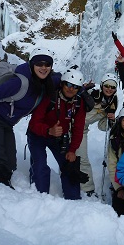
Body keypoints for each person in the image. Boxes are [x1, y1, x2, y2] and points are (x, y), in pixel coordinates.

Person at [0, 47, 59, 188]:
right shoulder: (19, 83)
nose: (43, 68)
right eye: (39, 64)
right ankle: (0, 195)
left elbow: (61, 80)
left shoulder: (46, 83)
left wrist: (82, 88)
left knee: (10, 164)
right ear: (32, 65)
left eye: (47, 64)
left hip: (7, 123)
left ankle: (4, 184)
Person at [27, 67, 87, 200]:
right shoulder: (50, 97)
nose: (71, 89)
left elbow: (78, 128)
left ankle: (74, 201)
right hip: (38, 135)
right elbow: (34, 123)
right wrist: (49, 130)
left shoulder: (78, 103)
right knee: (40, 165)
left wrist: (72, 150)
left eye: (75, 87)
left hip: (58, 138)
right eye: (68, 84)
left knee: (68, 166)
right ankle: (40, 198)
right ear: (62, 84)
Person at [76, 72, 119, 197]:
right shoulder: (92, 94)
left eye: (112, 87)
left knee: (82, 158)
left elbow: (102, 127)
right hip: (70, 125)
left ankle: (87, 189)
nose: (109, 89)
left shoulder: (112, 103)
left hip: (82, 130)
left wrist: (110, 120)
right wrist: (82, 89)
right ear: (102, 85)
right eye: (107, 86)